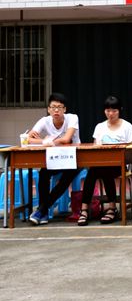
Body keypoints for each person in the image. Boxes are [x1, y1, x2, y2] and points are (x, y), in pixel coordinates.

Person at [77, 96, 132, 226]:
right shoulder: (100, 127)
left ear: (119, 110)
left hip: (120, 164)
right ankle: (85, 209)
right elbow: (95, 146)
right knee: (93, 172)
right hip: (102, 163)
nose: (111, 114)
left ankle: (111, 207)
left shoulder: (127, 126)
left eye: (114, 111)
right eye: (108, 111)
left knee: (104, 170)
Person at [26, 93, 81, 226]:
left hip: (74, 158)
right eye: (53, 107)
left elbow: (66, 139)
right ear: (49, 109)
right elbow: (28, 139)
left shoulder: (72, 118)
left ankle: (41, 210)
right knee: (43, 173)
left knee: (67, 177)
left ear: (64, 109)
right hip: (55, 158)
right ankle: (43, 213)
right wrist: (43, 141)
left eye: (59, 107)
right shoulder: (44, 121)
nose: (56, 110)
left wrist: (48, 141)